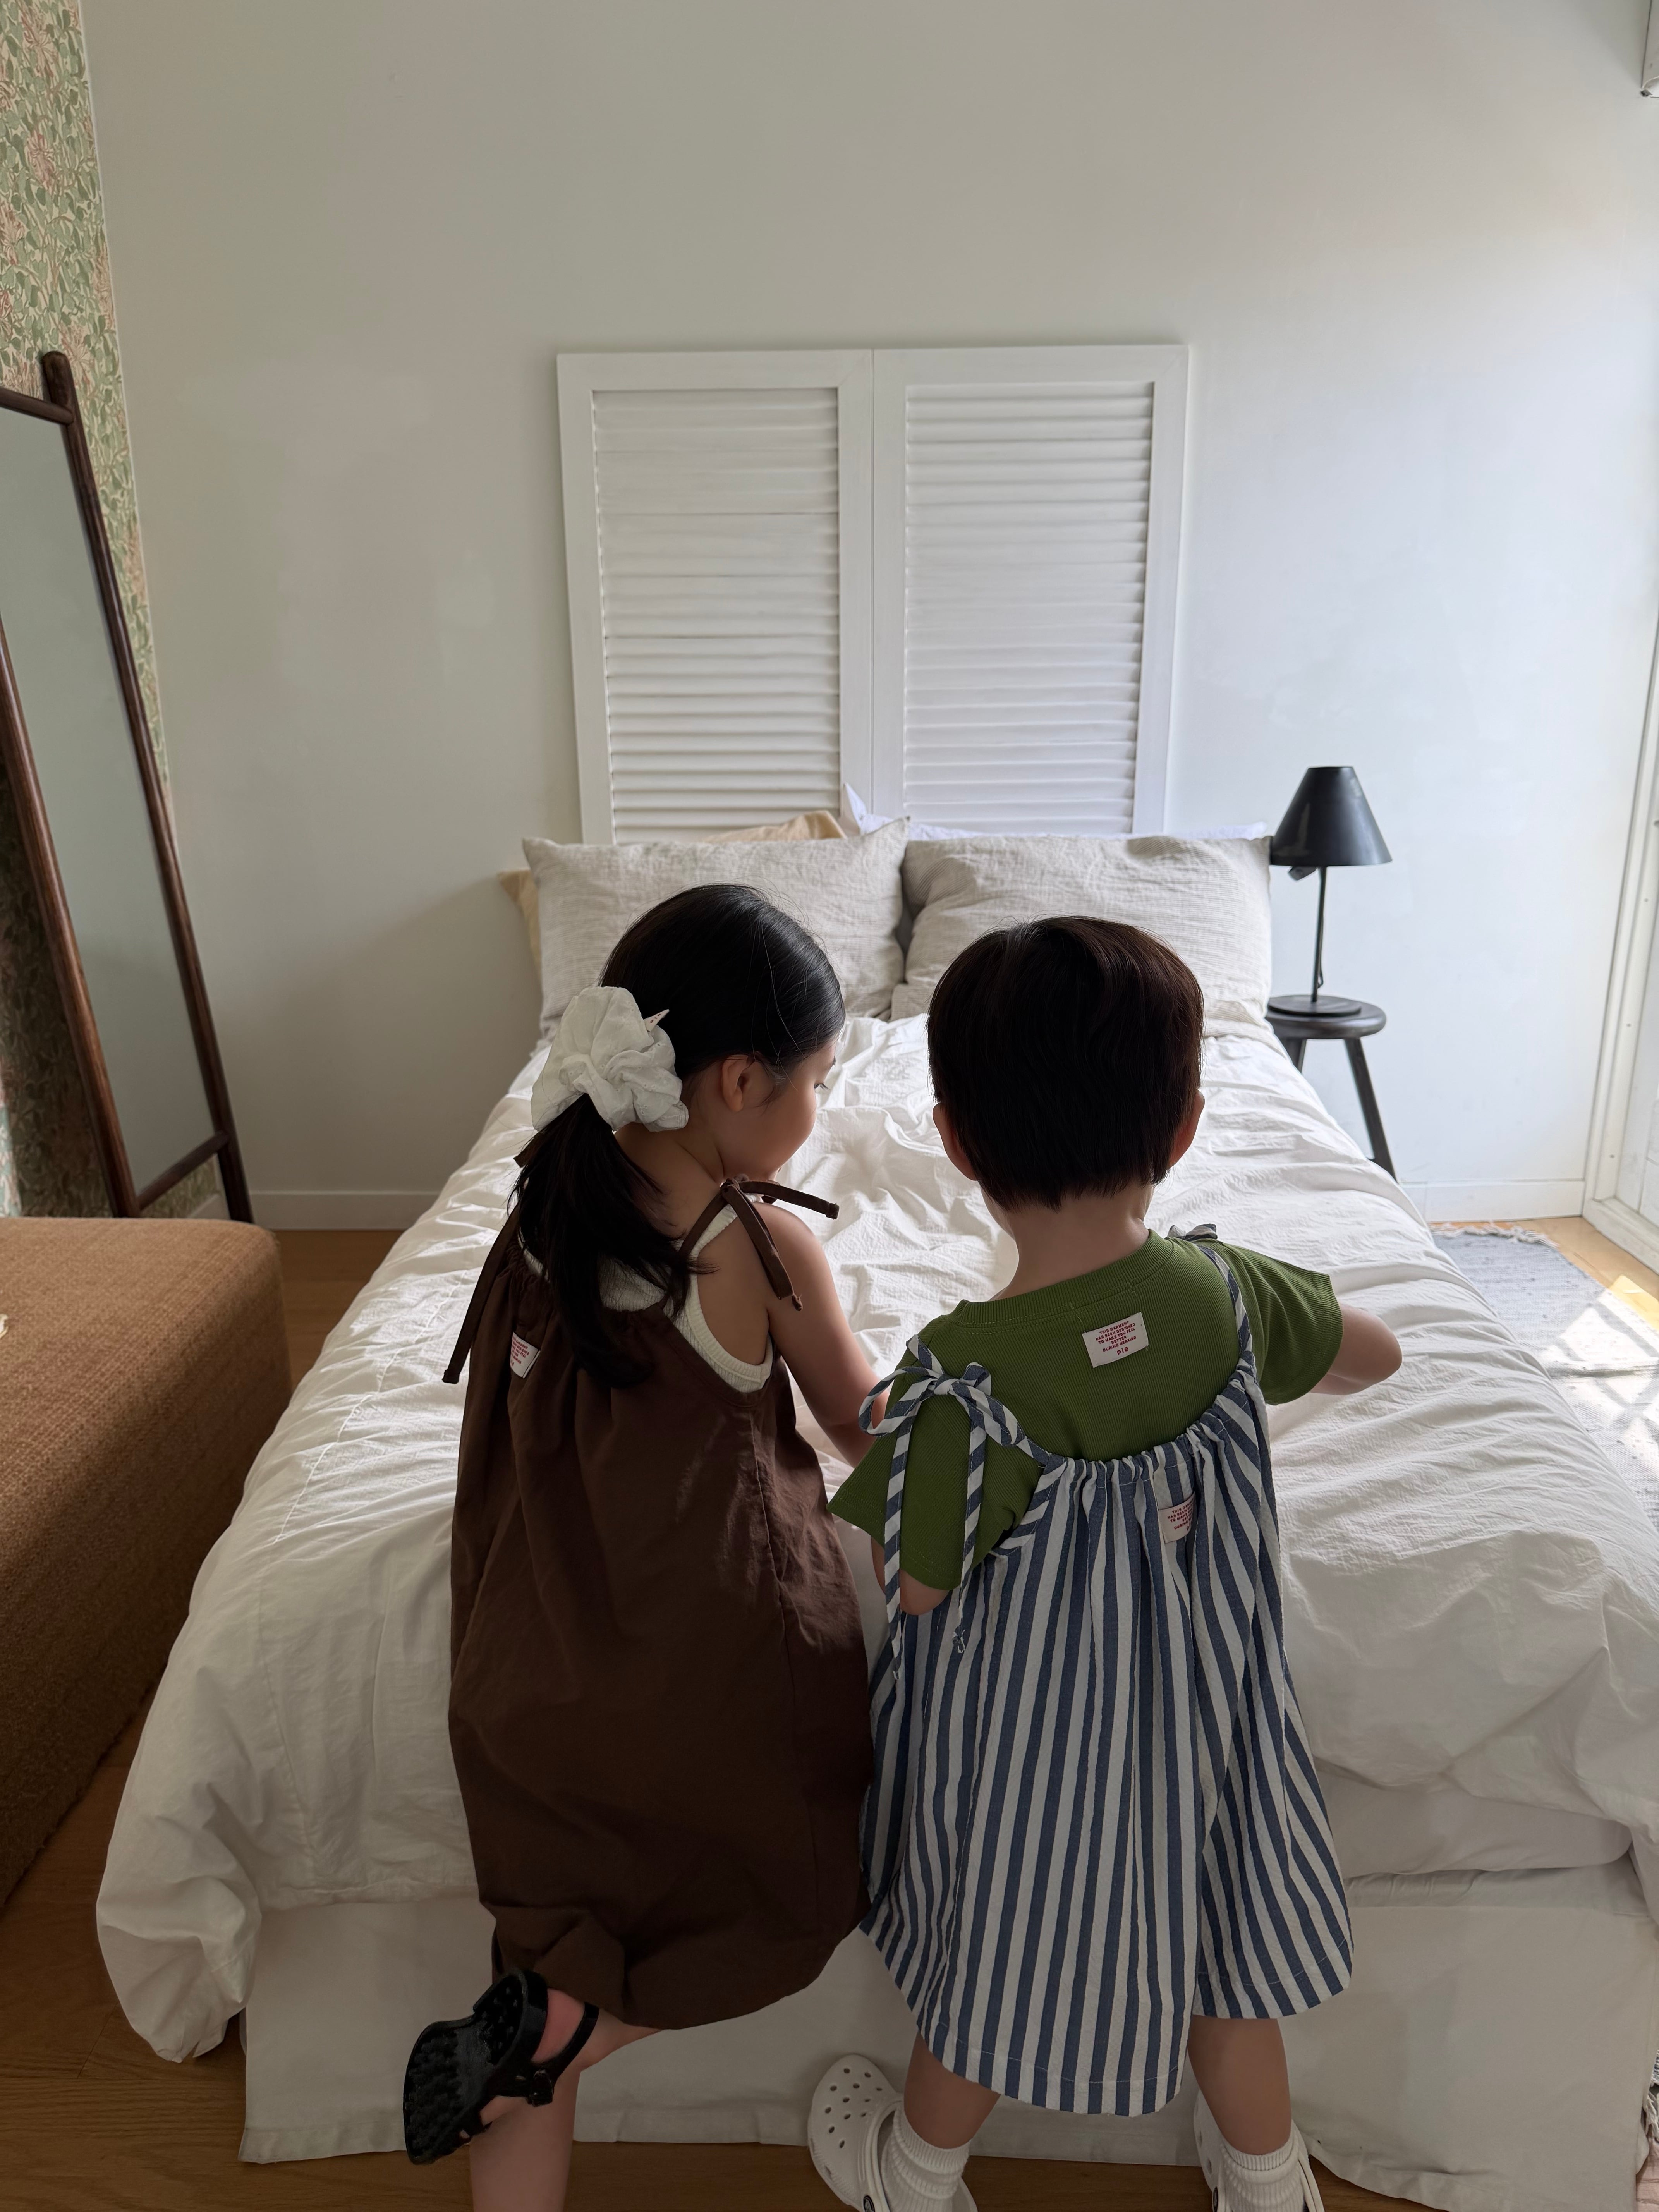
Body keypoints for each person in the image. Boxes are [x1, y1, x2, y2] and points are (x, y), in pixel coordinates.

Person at [815, 917, 1401, 2212]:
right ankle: (1270, 2186)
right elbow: (1377, 1356)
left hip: (1031, 1767)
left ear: (955, 1142)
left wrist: (908, 1465)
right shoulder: (1225, 1292)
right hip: (1214, 1726)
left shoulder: (959, 1381)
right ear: (1183, 1129)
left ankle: (914, 2178)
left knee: (991, 1966)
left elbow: (917, 1586)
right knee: (1223, 1960)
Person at [404, 884, 882, 2212]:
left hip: (528, 1678)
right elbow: (861, 1427)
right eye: (816, 1082)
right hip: (703, 1685)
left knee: (540, 1960)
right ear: (737, 1081)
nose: (818, 1109)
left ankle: (536, 2034)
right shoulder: (756, 1251)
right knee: (796, 1884)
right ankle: (571, 2033)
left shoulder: (544, 1201)